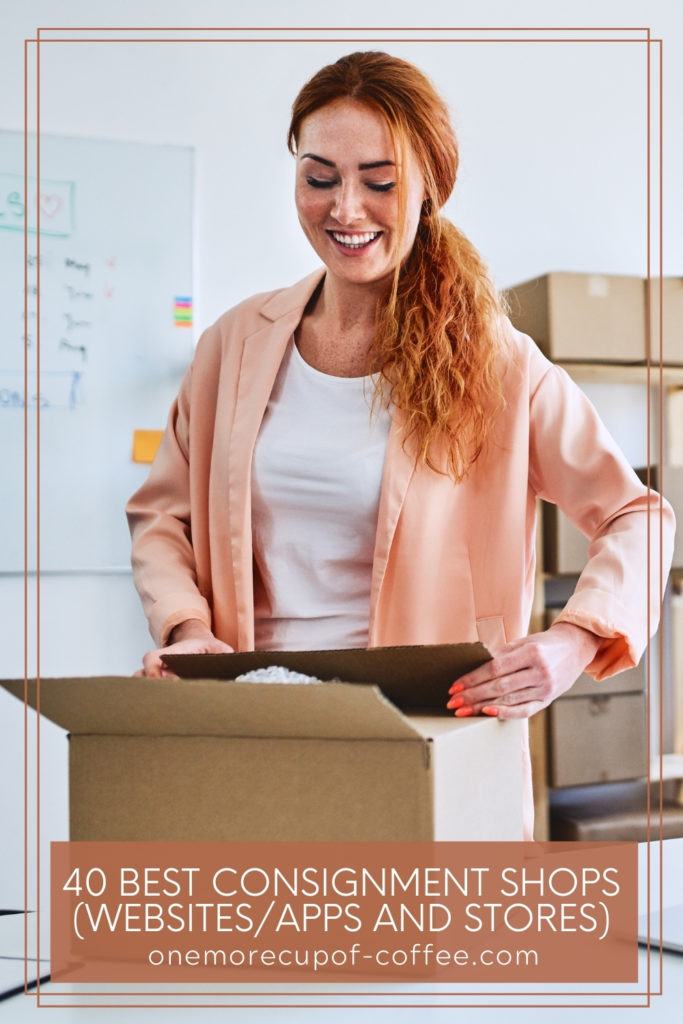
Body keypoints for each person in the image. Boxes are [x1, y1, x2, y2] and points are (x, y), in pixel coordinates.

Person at [125, 51, 676, 841]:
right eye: (320, 178)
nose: (346, 209)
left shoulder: (496, 363)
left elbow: (637, 513)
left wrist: (573, 641)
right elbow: (162, 517)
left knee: (418, 960)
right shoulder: (234, 346)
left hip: (433, 742)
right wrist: (186, 630)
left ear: (427, 191)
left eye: (379, 182)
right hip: (256, 732)